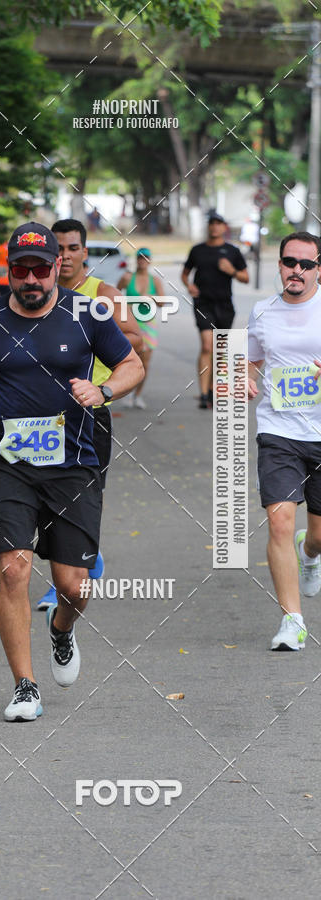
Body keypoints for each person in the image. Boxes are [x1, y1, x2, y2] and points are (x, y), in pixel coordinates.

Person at [0, 221, 144, 720]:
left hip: (73, 466)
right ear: (8, 271)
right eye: (21, 269)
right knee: (13, 569)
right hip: (9, 466)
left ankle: (62, 629)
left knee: (74, 585)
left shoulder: (87, 315)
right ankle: (24, 687)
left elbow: (132, 364)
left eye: (40, 269)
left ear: (58, 267)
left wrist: (103, 392)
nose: (30, 279)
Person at [32, 218, 143, 610]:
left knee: (83, 498)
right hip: (41, 415)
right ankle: (80, 566)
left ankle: (69, 577)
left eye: (73, 248)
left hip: (89, 414)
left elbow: (136, 338)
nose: (65, 256)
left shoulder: (103, 294)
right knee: (46, 499)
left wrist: (96, 337)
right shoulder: (35, 290)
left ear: (83, 252)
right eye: (58, 248)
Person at [247, 231, 321, 651]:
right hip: (279, 431)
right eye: (289, 262)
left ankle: (310, 553)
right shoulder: (263, 312)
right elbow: (252, 360)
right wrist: (244, 379)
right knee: (278, 519)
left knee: (317, 536)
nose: (296, 270)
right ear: (279, 265)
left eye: (306, 264)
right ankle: (292, 620)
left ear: (318, 269)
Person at [182, 213, 249, 409]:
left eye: (218, 224)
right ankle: (203, 394)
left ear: (224, 227)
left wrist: (232, 271)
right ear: (208, 227)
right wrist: (189, 286)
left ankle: (212, 390)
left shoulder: (232, 251)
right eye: (212, 224)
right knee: (206, 346)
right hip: (203, 303)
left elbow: (246, 277)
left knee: (219, 351)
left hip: (225, 305)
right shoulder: (197, 250)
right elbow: (185, 274)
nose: (214, 228)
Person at [117, 247, 164, 409]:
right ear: (136, 260)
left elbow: (163, 302)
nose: (143, 260)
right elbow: (115, 295)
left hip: (148, 324)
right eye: (140, 257)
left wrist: (151, 298)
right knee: (128, 359)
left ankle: (138, 395)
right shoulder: (127, 277)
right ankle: (127, 392)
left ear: (150, 260)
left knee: (145, 362)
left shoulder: (155, 280)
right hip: (129, 324)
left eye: (146, 258)